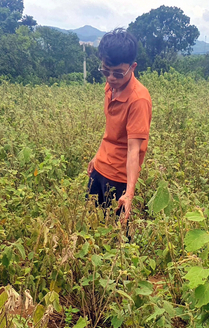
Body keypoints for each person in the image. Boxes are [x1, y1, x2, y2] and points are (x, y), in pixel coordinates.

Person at [87, 28, 152, 223]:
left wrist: (129, 194)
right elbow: (110, 131)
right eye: (106, 71)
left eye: (118, 73)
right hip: (99, 168)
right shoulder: (111, 87)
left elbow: (134, 150)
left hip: (118, 177)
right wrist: (97, 156)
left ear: (133, 67)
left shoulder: (138, 100)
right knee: (90, 222)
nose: (111, 78)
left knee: (118, 236)